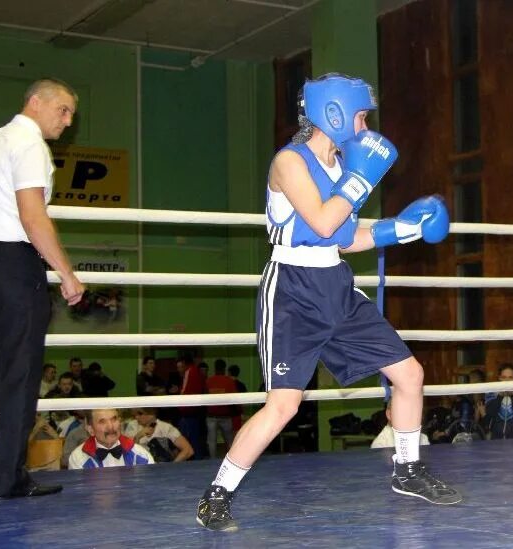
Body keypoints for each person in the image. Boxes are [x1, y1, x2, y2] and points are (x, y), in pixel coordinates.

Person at [196, 73, 460, 532]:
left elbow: (343, 238)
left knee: (410, 374)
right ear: (333, 113)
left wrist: (403, 228)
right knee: (283, 406)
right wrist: (360, 179)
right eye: (360, 115)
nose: (364, 126)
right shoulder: (289, 162)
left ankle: (407, 469)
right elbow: (319, 222)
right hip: (292, 291)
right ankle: (217, 494)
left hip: (334, 282)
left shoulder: (343, 164)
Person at [0, 78, 85, 498]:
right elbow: (32, 215)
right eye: (62, 109)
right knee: (19, 374)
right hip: (12, 263)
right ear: (35, 102)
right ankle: (7, 479)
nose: (67, 121)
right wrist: (66, 271)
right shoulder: (29, 146)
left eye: (72, 115)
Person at [68, 409, 154, 469]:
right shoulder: (78, 459)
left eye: (114, 419)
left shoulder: (141, 455)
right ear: (91, 430)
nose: (111, 427)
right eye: (102, 421)